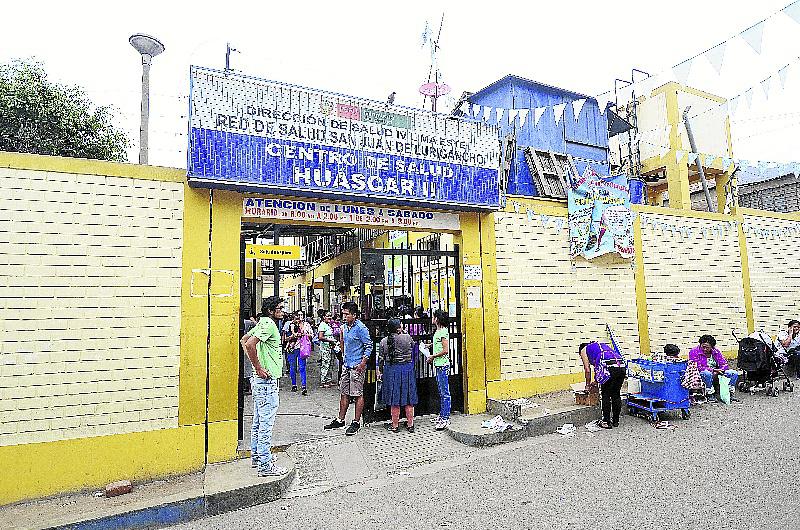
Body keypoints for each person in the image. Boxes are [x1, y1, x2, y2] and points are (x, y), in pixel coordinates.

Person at [240, 296, 288, 477]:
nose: (282, 311)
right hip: (266, 382)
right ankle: (266, 466)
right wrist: (258, 367)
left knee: (259, 421)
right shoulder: (268, 325)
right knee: (266, 424)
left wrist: (256, 365)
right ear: (271, 310)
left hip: (260, 381)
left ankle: (258, 457)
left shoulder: (263, 323)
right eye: (280, 308)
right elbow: (249, 343)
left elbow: (244, 340)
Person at [324, 301, 373, 436]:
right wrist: (343, 356)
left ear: (354, 315)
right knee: (344, 392)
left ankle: (356, 421)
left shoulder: (361, 328)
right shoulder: (344, 327)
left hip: (357, 366)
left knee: (358, 394)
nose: (344, 316)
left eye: (347, 314)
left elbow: (369, 346)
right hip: (347, 364)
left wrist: (363, 363)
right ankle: (340, 419)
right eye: (343, 314)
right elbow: (342, 342)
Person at [377, 319, 418, 433]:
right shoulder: (407, 337)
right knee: (409, 397)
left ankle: (395, 425)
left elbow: (381, 359)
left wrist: (379, 371)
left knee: (394, 398)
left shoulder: (384, 341)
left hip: (391, 371)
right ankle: (410, 424)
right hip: (407, 370)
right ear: (398, 328)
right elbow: (414, 348)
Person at [578, 341, 626, 429]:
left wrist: (588, 385)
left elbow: (587, 369)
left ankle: (606, 422)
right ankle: (616, 421)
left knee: (606, 394)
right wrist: (596, 382)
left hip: (608, 367)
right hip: (621, 365)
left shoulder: (583, 350)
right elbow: (599, 367)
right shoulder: (599, 346)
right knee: (616, 394)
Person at [688, 335, 739, 402]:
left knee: (733, 373)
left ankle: (729, 393)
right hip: (701, 373)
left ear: (712, 347)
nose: (705, 349)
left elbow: (724, 363)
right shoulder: (694, 351)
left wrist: (721, 370)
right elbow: (697, 367)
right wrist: (713, 370)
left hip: (717, 372)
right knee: (706, 373)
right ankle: (710, 394)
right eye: (703, 347)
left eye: (707, 347)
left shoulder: (716, 351)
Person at [427, 309, 451, 431]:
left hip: (442, 365)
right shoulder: (438, 331)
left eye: (433, 316)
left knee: (445, 393)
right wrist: (429, 346)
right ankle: (442, 415)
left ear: (437, 319)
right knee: (441, 392)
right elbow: (438, 344)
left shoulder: (443, 332)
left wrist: (433, 356)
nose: (432, 318)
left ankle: (445, 418)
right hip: (438, 365)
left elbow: (446, 350)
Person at [285, 312, 309, 395]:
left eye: (301, 315)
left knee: (302, 367)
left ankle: (303, 386)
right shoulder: (290, 324)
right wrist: (294, 336)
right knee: (293, 367)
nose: (299, 317)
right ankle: (294, 384)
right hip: (292, 348)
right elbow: (286, 338)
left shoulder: (306, 325)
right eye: (298, 316)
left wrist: (305, 335)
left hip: (302, 348)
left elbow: (311, 335)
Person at [318, 311, 337, 388]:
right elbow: (320, 337)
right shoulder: (322, 325)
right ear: (324, 317)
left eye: (330, 316)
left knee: (331, 363)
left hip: (331, 347)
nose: (329, 317)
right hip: (325, 348)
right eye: (327, 316)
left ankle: (328, 380)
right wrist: (330, 340)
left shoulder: (328, 325)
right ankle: (323, 381)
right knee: (325, 363)